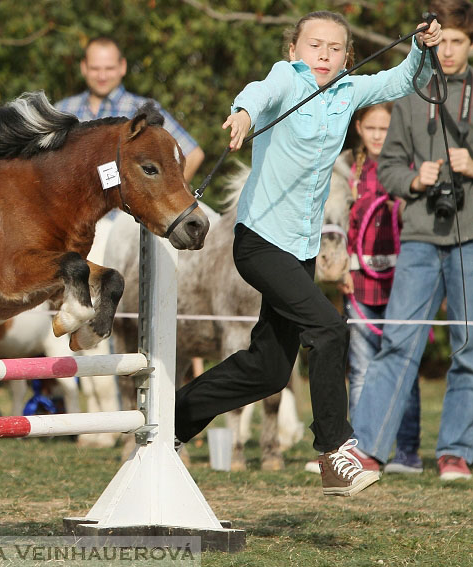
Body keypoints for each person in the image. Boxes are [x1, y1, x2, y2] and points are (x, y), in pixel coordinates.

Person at [173, 11, 442, 496]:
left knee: (269, 369)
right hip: (258, 241)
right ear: (294, 50)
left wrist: (422, 47)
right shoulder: (287, 78)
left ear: (347, 57)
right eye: (314, 45)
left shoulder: (348, 92)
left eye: (335, 48)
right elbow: (260, 92)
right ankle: (333, 452)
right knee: (328, 327)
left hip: (301, 249)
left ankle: (173, 418)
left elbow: (403, 78)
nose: (324, 54)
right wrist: (243, 114)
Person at [351, 0, 473, 482]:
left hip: (469, 238)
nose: (447, 51)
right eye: (440, 41)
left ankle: (456, 453)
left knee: (469, 345)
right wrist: (416, 180)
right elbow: (388, 168)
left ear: (470, 44)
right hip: (420, 237)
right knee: (398, 341)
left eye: (458, 42)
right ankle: (368, 451)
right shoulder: (409, 94)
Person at [306, 103, 424, 475]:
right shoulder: (344, 171)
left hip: (402, 282)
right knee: (359, 368)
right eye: (370, 127)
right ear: (359, 127)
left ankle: (407, 450)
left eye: (384, 128)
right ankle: (357, 447)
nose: (377, 135)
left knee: (403, 363)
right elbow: (336, 226)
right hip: (357, 282)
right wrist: (340, 271)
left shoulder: (407, 167)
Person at [55, 37, 204, 183]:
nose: (102, 76)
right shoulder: (62, 110)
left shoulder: (144, 111)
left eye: (109, 68)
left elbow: (193, 155)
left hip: (125, 208)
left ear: (122, 67)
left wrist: (171, 198)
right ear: (84, 67)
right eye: (95, 68)